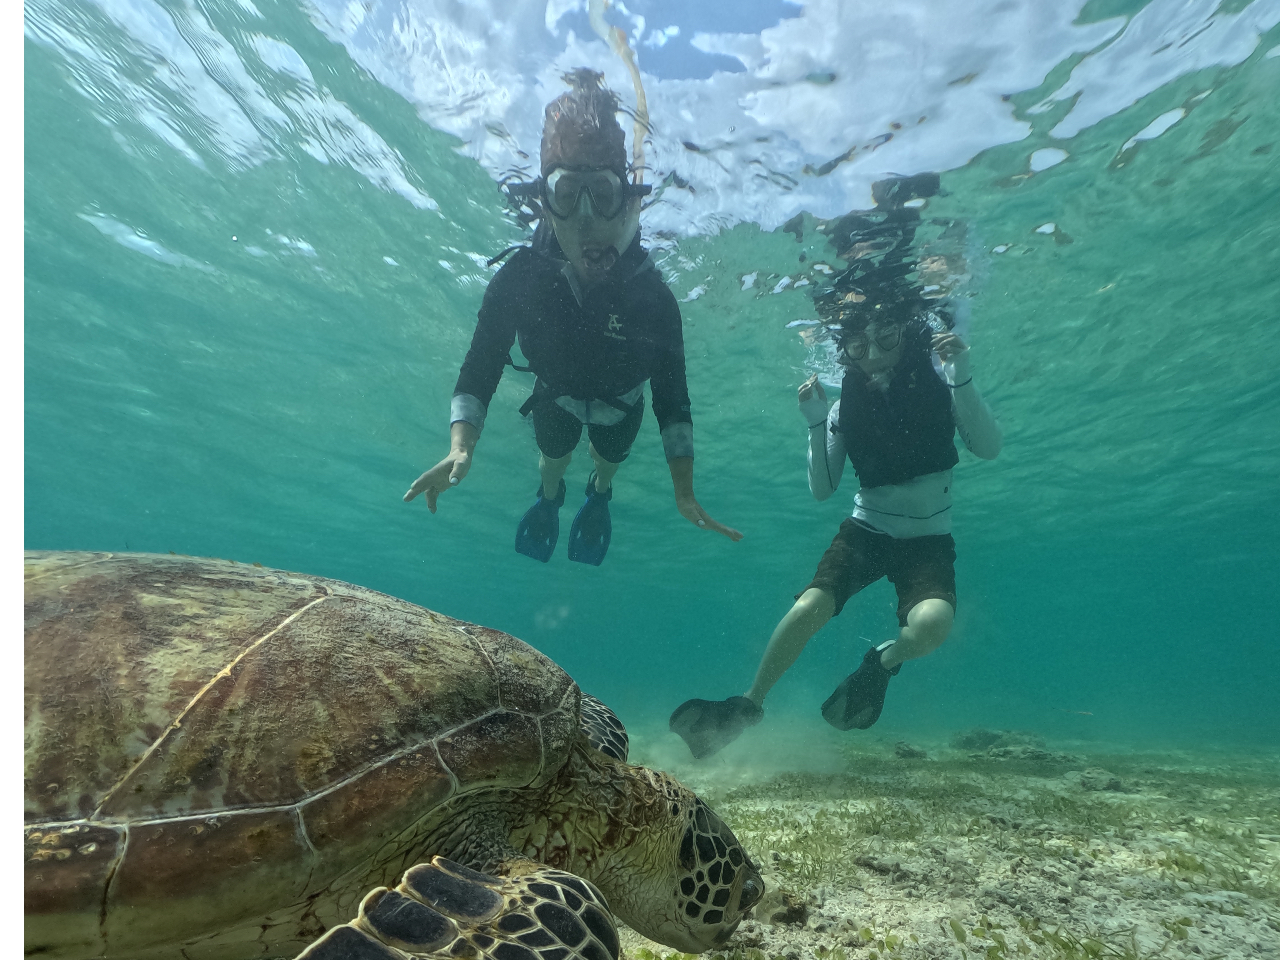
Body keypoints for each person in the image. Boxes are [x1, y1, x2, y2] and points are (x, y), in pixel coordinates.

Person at [403, 70, 741, 564]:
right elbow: (482, 362)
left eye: (602, 193)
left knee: (606, 463)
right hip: (554, 399)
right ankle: (550, 498)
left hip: (621, 407)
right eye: (566, 193)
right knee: (551, 463)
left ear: (625, 201)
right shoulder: (521, 276)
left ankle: (599, 495)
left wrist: (684, 491)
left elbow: (673, 400)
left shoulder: (653, 298)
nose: (585, 218)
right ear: (545, 203)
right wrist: (461, 446)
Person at [669, 265, 1001, 759]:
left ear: (905, 329)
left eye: (886, 335)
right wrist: (815, 423)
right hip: (867, 527)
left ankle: (882, 662)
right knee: (809, 607)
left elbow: (987, 447)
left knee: (932, 626)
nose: (874, 355)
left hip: (930, 538)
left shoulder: (940, 378)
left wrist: (962, 380)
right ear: (845, 349)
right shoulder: (846, 405)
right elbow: (824, 490)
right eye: (857, 347)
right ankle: (748, 705)